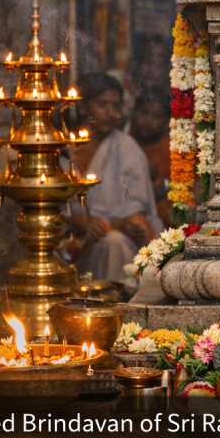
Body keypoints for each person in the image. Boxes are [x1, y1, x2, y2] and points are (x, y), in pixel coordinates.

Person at [65, 73, 161, 282]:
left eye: (116, 106)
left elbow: (136, 210)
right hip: (65, 237)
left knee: (113, 242)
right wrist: (76, 222)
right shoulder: (63, 148)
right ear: (83, 107)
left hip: (113, 241)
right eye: (103, 104)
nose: (110, 112)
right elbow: (49, 205)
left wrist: (117, 224)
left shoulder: (128, 148)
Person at [129, 88, 172, 228]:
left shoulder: (172, 150)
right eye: (144, 112)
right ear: (135, 112)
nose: (148, 121)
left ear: (166, 121)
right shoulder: (123, 144)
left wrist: (162, 183)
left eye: (157, 116)